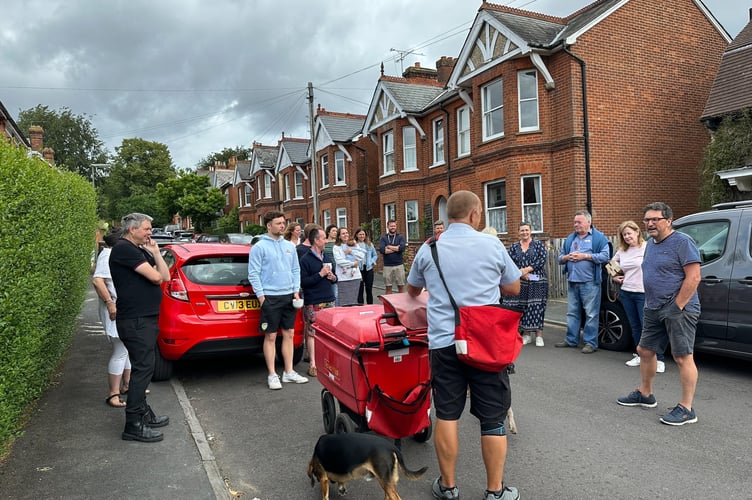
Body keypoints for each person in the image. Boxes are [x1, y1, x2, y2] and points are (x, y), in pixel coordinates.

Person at [407, 191, 521, 500]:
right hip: (485, 342)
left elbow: (413, 289)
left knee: (447, 413)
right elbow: (513, 286)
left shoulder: (429, 249)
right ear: (473, 215)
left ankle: (448, 487)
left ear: (448, 217)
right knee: (493, 417)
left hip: (443, 342)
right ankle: (495, 492)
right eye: (480, 213)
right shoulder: (491, 244)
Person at [617, 202, 701, 426]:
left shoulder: (682, 242)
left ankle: (686, 408)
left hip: (678, 308)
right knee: (645, 350)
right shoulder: (652, 244)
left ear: (669, 220)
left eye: (655, 219)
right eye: (646, 220)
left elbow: (693, 277)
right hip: (653, 307)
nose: (650, 224)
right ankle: (645, 394)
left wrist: (677, 306)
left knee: (683, 357)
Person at [109, 213, 171, 442]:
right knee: (143, 368)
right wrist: (154, 262)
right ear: (132, 229)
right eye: (146, 228)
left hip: (144, 318)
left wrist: (155, 252)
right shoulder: (124, 249)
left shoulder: (140, 250)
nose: (150, 232)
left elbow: (164, 276)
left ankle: (143, 413)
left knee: (144, 366)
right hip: (135, 320)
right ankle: (133, 424)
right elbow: (156, 278)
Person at [248, 211, 309, 390]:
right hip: (270, 297)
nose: (282, 226)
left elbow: (295, 269)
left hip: (289, 296)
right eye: (278, 223)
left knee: (289, 333)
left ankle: (289, 372)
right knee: (271, 336)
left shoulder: (289, 246)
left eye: (283, 223)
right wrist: (261, 297)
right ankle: (272, 374)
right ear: (269, 225)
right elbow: (253, 273)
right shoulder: (259, 247)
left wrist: (296, 291)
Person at [611, 220, 666, 373]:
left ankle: (659, 359)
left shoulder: (648, 247)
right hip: (627, 292)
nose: (627, 237)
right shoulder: (622, 250)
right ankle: (639, 355)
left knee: (648, 327)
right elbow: (610, 265)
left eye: (629, 233)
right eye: (624, 234)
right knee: (635, 326)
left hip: (644, 293)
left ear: (637, 232)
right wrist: (615, 277)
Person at [556, 210, 610, 354]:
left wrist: (584, 256)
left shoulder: (599, 238)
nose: (576, 225)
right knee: (572, 313)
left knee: (591, 314)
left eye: (579, 222)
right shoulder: (570, 238)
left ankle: (590, 343)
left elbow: (605, 256)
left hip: (590, 282)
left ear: (588, 222)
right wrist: (567, 257)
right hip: (572, 281)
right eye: (575, 222)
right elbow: (559, 258)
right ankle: (571, 340)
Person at [92, 228, 131, 408]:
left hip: (120, 308)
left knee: (126, 349)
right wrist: (110, 303)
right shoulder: (107, 255)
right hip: (114, 309)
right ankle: (113, 394)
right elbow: (98, 281)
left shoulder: (111, 254)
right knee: (120, 350)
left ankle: (127, 385)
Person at [299, 227, 338, 377]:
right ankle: (313, 364)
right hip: (314, 300)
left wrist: (333, 277)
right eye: (323, 238)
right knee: (312, 332)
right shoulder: (306, 259)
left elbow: (335, 279)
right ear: (316, 240)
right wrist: (320, 274)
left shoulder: (326, 257)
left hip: (329, 299)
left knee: (329, 333)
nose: (326, 241)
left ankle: (327, 361)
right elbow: (304, 282)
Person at [504, 221, 549, 347]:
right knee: (523, 306)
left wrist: (527, 270)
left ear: (531, 231)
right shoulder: (514, 247)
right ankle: (527, 334)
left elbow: (542, 260)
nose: (524, 232)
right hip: (521, 279)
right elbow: (510, 262)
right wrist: (522, 274)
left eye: (526, 230)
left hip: (537, 279)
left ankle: (539, 335)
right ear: (518, 232)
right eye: (522, 230)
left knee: (536, 306)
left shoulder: (538, 245)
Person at [332, 227, 364, 306]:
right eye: (343, 233)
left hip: (355, 277)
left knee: (354, 302)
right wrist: (353, 264)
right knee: (344, 302)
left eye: (346, 233)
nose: (345, 235)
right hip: (343, 278)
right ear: (339, 236)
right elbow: (340, 261)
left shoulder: (354, 244)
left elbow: (361, 256)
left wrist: (352, 252)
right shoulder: (336, 247)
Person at [378, 219, 407, 294]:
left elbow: (402, 248)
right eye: (391, 226)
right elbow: (382, 250)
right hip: (387, 266)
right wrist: (396, 248)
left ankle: (401, 305)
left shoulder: (400, 237)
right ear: (388, 226)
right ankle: (389, 304)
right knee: (388, 287)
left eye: (394, 226)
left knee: (401, 286)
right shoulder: (383, 238)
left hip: (399, 265)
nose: (393, 227)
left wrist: (389, 247)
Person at [354, 228, 378, 304]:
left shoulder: (369, 244)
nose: (362, 236)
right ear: (357, 235)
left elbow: (375, 255)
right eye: (360, 234)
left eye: (363, 234)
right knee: (360, 290)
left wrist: (372, 261)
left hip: (368, 269)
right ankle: (360, 307)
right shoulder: (354, 245)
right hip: (359, 269)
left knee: (369, 289)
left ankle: (370, 306)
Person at [324, 224, 339, 305]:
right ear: (328, 232)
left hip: (338, 269)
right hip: (328, 269)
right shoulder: (324, 242)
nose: (335, 233)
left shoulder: (338, 243)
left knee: (337, 293)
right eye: (333, 231)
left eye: (336, 231)